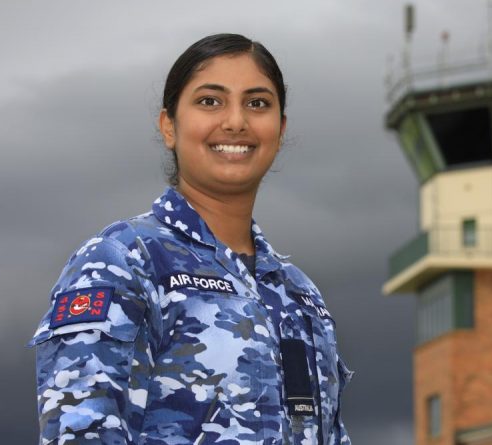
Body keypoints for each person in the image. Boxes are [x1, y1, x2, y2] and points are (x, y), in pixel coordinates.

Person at [29, 33, 353, 445]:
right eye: (210, 101)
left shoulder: (300, 295)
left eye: (258, 103)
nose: (236, 121)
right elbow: (78, 434)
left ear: (280, 128)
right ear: (169, 125)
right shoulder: (125, 261)